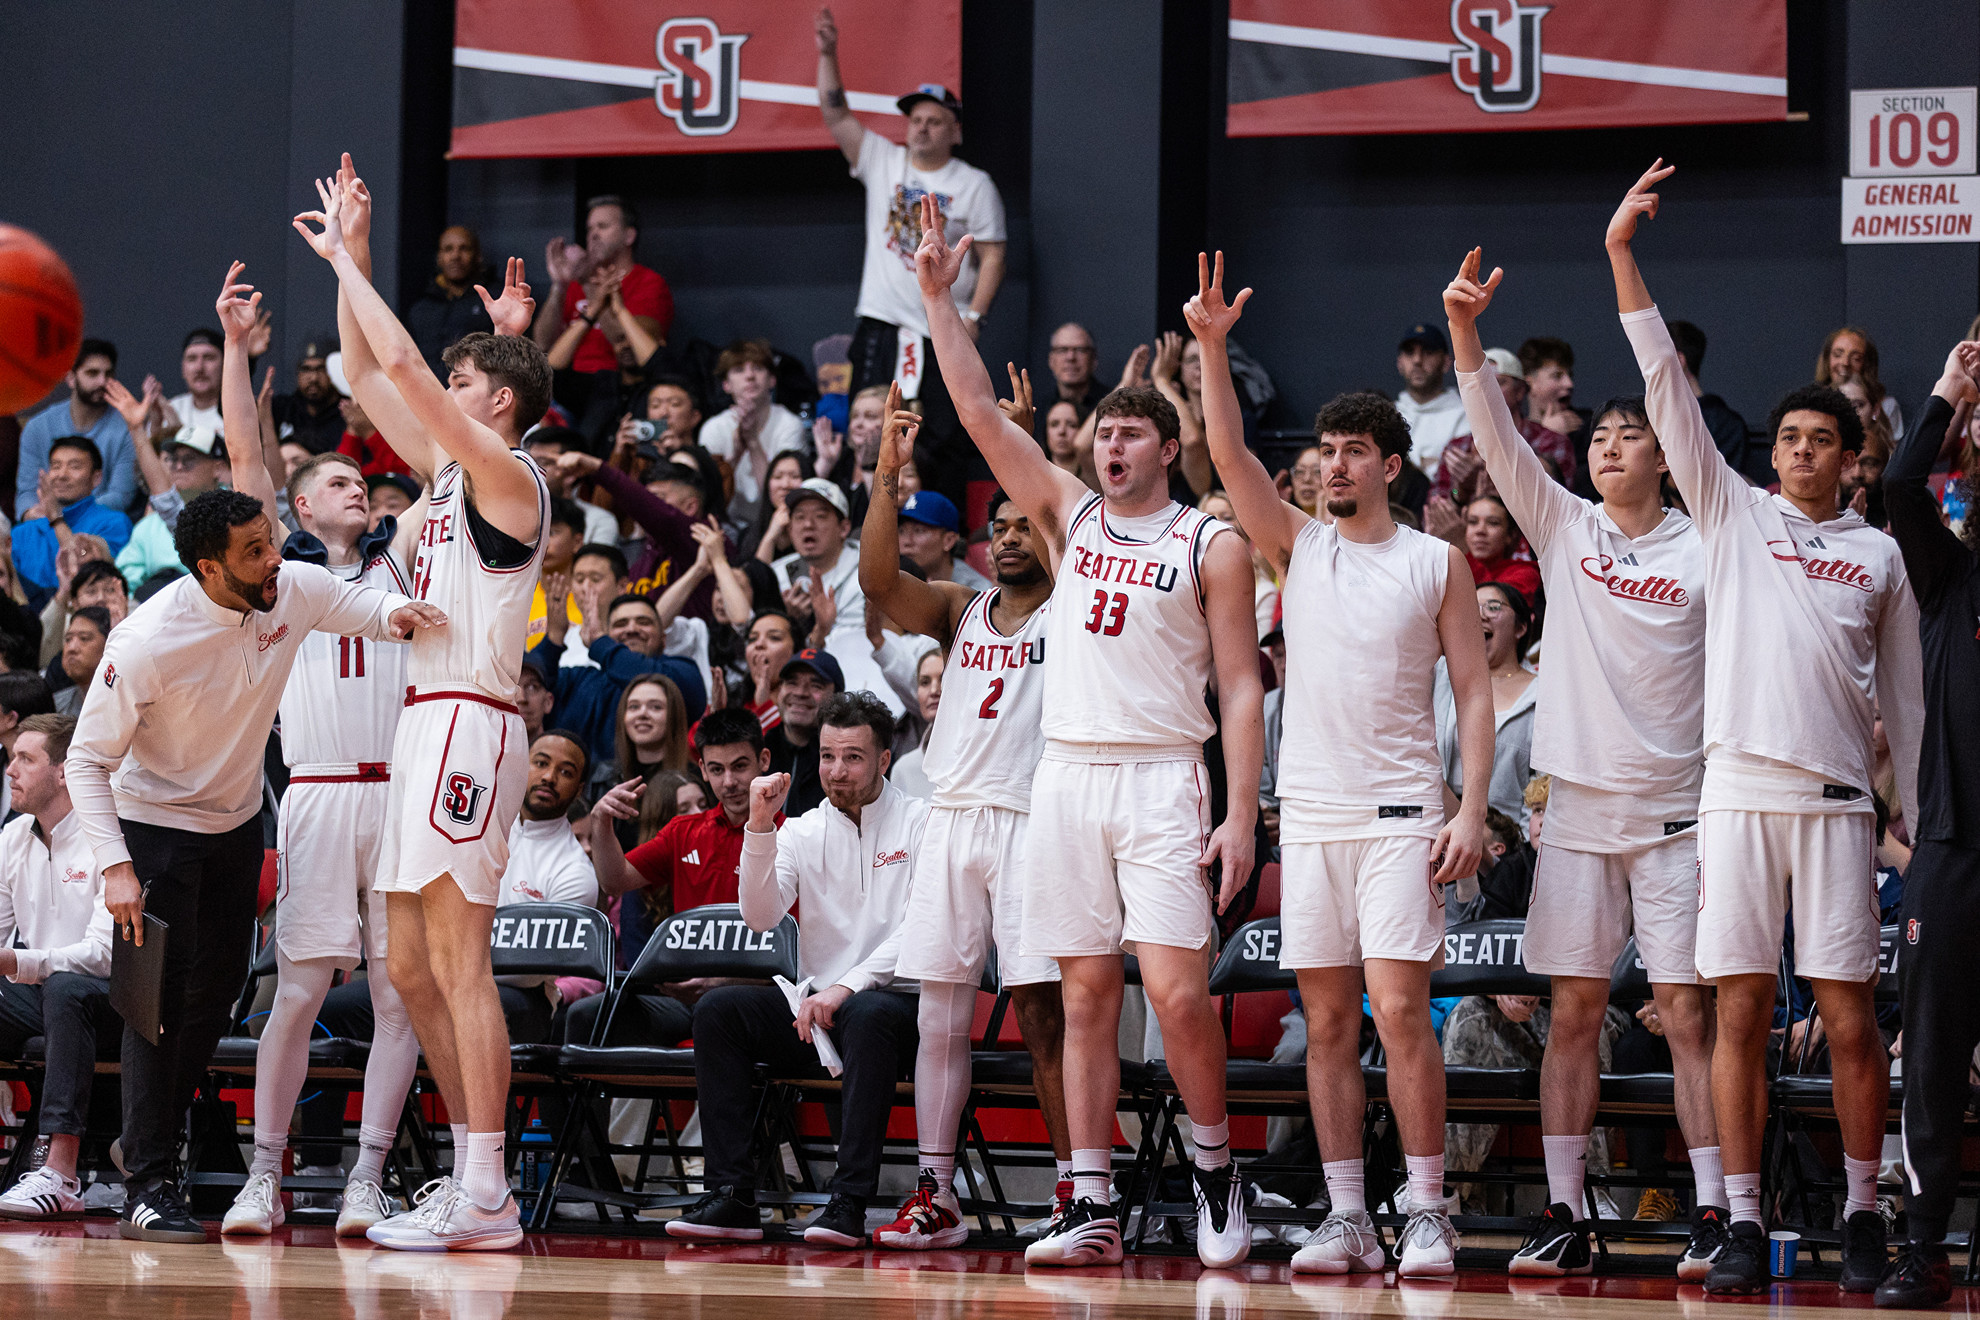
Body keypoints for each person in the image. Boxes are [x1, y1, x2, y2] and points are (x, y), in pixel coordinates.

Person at [916, 200, 1262, 1270]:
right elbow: (978, 412)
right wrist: (938, 297)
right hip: (1064, 778)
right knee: (1082, 994)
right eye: (1102, 433)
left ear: (1169, 446)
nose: (1111, 447)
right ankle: (1091, 1197)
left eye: (1131, 433)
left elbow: (1245, 689)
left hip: (1163, 777)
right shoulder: (1068, 517)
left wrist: (1244, 813)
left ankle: (1213, 1168)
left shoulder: (1213, 541)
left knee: (1175, 993)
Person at [1607, 161, 1922, 1296]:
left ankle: (1865, 1211)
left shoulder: (1882, 555)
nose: (1795, 449)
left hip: (1839, 805)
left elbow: (1912, 711)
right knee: (1739, 1009)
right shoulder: (1730, 512)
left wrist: (1922, 828)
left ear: (1850, 457)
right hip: (1734, 796)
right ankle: (1738, 1219)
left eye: (1816, 439)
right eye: (1785, 435)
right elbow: (1662, 386)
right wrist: (1621, 255)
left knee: (1847, 1021)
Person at [1187, 254, 1488, 1280]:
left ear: (1390, 466)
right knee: (1324, 1020)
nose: (1333, 466)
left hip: (1405, 812)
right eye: (1325, 453)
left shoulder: (1436, 562)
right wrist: (1213, 349)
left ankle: (1429, 1210)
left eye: (1353, 452)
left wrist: (1475, 805)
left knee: (1400, 1012)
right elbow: (1226, 453)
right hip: (1308, 817)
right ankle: (1351, 1216)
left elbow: (1476, 694)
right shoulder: (1297, 545)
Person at [1444, 246, 1723, 1280]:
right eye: (1598, 435)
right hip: (1576, 819)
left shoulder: (1706, 544)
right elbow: (1497, 437)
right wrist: (1468, 335)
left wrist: (1620, 263)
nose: (1608, 446)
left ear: (1665, 454)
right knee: (1570, 1012)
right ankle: (1565, 1211)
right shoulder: (1563, 527)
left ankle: (1711, 1213)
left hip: (1679, 815)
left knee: (1686, 1014)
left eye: (1628, 434)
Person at [298, 155, 553, 1250]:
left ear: (496, 403)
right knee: (405, 966)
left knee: (456, 957)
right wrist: (344, 280)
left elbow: (397, 353)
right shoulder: (450, 476)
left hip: (472, 721)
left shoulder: (509, 480)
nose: (435, 396)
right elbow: (370, 376)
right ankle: (469, 1178)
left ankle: (488, 1191)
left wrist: (355, 257)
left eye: (461, 386)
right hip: (424, 719)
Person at [213, 254, 433, 1241]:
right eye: (342, 478)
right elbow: (245, 463)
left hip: (402, 797)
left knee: (400, 994)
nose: (359, 484)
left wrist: (355, 267)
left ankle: (366, 1178)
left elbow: (453, 454)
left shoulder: (398, 553)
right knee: (299, 990)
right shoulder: (277, 578)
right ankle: (266, 1175)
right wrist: (233, 349)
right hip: (320, 791)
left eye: (361, 476)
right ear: (304, 508)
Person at [854, 391, 1072, 1250]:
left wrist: (1015, 440)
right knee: (938, 1018)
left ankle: (1075, 1190)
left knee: (1041, 1015)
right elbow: (876, 583)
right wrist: (887, 471)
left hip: (1031, 821)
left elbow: (1068, 512)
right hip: (952, 820)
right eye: (1001, 525)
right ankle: (936, 1192)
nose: (1011, 536)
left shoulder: (1080, 607)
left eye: (1027, 522)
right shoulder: (959, 607)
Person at [667, 692, 925, 1247]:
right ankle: (733, 1195)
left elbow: (923, 929)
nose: (836, 770)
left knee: (870, 1012)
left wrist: (844, 986)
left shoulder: (922, 822)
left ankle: (849, 1202)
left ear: (883, 760)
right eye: (827, 756)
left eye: (853, 757)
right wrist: (760, 825)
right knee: (719, 1012)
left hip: (901, 1009)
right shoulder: (802, 830)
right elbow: (760, 916)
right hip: (820, 1010)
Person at [1875, 340, 1980, 1309]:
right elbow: (1906, 482)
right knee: (1935, 1059)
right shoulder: (1952, 577)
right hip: (1954, 855)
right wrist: (1950, 391)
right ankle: (1923, 1246)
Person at [816, 8, 1006, 515]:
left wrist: (975, 318)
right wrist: (827, 53)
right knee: (871, 429)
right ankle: (866, 523)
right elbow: (836, 114)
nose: (921, 129)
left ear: (955, 132)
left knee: (940, 435)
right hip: (880, 324)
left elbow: (993, 256)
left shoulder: (973, 184)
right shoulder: (883, 160)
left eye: (934, 121)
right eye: (915, 120)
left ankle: (934, 525)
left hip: (939, 329)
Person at [582, 706, 774, 1042]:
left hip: (760, 997)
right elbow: (614, 880)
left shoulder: (794, 834)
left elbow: (800, 956)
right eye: (717, 769)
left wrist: (722, 983)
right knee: (587, 1016)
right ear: (702, 769)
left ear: (765, 761)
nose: (728, 782)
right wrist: (601, 823)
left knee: (718, 1006)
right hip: (685, 998)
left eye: (740, 766)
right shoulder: (682, 831)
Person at [0, 715, 117, 1221]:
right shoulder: (12, 838)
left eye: (26, 759)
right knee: (54, 990)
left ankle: (61, 1174)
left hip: (111, 998)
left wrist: (21, 962)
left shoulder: (105, 837)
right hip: (42, 991)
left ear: (65, 771)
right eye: (11, 758)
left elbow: (104, 954)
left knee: (66, 990)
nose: (11, 770)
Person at [530, 591, 705, 774]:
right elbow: (530, 684)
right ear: (609, 634)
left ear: (663, 638)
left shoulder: (682, 671)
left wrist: (600, 643)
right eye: (620, 624)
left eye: (643, 622)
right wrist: (554, 639)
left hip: (667, 790)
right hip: (585, 796)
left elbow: (659, 681)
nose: (631, 629)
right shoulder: (580, 681)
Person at [533, 196, 673, 372]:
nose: (593, 235)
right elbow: (543, 343)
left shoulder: (649, 283)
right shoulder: (575, 284)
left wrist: (587, 282)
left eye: (603, 226)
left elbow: (626, 344)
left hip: (618, 383)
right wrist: (558, 286)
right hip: (571, 383)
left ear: (629, 236)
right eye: (590, 228)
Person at [1436, 583, 1537, 824]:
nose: (1479, 613)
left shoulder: (1541, 694)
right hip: (1440, 826)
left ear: (1521, 627)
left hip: (1509, 839)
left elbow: (1544, 783)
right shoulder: (1441, 676)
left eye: (1493, 606)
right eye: (1472, 606)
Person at [1432, 348, 1576, 505]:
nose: (1486, 389)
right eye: (1477, 384)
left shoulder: (1551, 443)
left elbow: (1559, 508)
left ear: (1520, 391)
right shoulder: (1457, 449)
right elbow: (1433, 517)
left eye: (1498, 383)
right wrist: (1459, 491)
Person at [15, 340, 140, 520]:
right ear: (71, 378)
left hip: (100, 525)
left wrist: (63, 517)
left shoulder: (127, 427)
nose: (102, 382)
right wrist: (31, 514)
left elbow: (121, 496)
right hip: (44, 523)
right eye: (92, 373)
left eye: (108, 374)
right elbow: (26, 492)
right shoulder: (37, 427)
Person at [14, 438, 134, 606]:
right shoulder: (22, 533)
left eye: (74, 467)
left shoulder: (114, 523)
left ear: (96, 477)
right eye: (56, 466)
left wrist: (56, 518)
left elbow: (86, 574)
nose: (62, 475)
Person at [696, 339, 804, 523]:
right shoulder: (713, 428)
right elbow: (709, 498)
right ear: (726, 385)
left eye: (758, 368)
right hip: (726, 524)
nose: (750, 376)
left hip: (778, 521)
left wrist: (753, 441)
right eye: (739, 370)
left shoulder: (790, 424)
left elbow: (781, 498)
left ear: (772, 380)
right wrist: (737, 452)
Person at [114, 427, 228, 589]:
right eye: (174, 459)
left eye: (189, 460)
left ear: (217, 467)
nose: (179, 466)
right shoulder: (147, 526)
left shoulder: (233, 513)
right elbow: (125, 582)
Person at [406, 225, 495, 377]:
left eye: (464, 248)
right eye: (448, 249)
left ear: (477, 255)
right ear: (439, 258)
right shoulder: (420, 309)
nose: (455, 256)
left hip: (474, 396)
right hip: (423, 395)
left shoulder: (492, 303)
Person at [766, 647, 840, 816]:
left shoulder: (844, 762)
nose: (800, 693)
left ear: (837, 697)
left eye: (815, 685)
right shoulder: (759, 750)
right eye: (792, 682)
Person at [1394, 323, 1467, 475]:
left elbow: (1456, 481)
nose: (1417, 360)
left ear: (1446, 363)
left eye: (1428, 352)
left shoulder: (1464, 417)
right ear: (1399, 363)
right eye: (1409, 352)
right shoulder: (1389, 414)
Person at [1817, 326, 1903, 443]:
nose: (1845, 362)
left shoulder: (1887, 406)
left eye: (1856, 358)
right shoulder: (1811, 405)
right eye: (1837, 354)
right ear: (1827, 359)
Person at [896, 490, 992, 591]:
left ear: (949, 540)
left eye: (919, 531)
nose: (907, 542)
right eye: (901, 531)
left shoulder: (976, 593)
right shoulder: (891, 582)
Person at [1460, 494, 1542, 606]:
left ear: (1510, 535)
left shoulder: (1525, 574)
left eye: (1493, 523)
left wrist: (1460, 550)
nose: (1480, 530)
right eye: (1473, 522)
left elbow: (1488, 608)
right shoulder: (1450, 565)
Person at [272, 339, 347, 454]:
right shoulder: (283, 409)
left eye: (321, 369)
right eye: (306, 369)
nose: (313, 378)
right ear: (297, 373)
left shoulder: (348, 412)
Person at [1520, 336, 1588, 454]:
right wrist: (1549, 435)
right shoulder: (1515, 435)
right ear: (1530, 383)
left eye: (1569, 375)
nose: (1569, 384)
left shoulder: (1589, 426)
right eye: (1557, 376)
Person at [165, 328, 227, 437]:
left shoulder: (240, 410)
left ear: (225, 364)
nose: (199, 368)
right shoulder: (172, 409)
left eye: (209, 358)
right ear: (183, 369)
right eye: (192, 359)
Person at [1040, 323, 1103, 431]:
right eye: (1062, 350)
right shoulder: (1038, 409)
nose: (1071, 357)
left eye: (1080, 350)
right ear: (1051, 360)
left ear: (1094, 359)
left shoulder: (1114, 406)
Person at [50, 605, 109, 718]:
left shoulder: (130, 703)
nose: (72, 648)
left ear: (109, 645)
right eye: (68, 639)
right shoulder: (56, 706)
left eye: (84, 638)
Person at [743, 610, 798, 731]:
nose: (759, 644)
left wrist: (764, 706)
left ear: (795, 652)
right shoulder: (735, 703)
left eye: (774, 637)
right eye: (752, 639)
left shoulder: (804, 706)